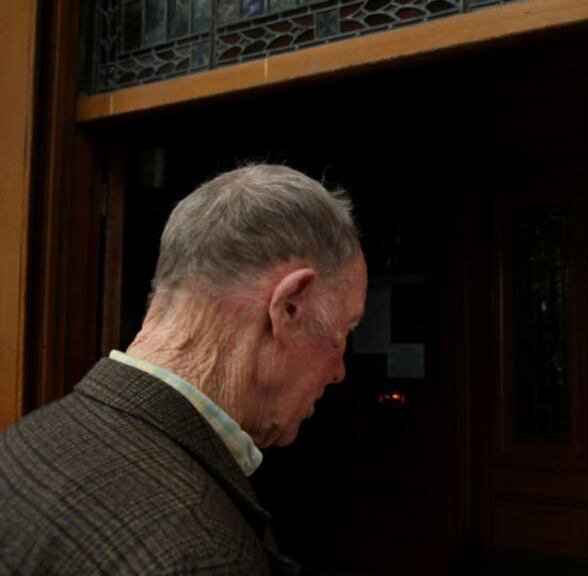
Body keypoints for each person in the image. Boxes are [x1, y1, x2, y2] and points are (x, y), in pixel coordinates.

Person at [0, 164, 367, 574]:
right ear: (289, 306)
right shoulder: (204, 554)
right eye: (343, 331)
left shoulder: (22, 443)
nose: (339, 371)